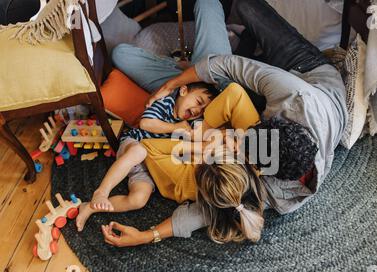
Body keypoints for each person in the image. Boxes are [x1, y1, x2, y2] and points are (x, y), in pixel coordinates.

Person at [102, 0, 347, 247]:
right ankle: (217, 53)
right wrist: (171, 87)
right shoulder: (295, 98)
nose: (235, 141)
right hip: (310, 75)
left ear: (263, 170)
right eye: (244, 136)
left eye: (240, 147)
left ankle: (202, 60)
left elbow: (211, 207)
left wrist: (148, 235)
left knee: (121, 54)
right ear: (270, 120)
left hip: (212, 96)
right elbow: (231, 68)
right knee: (246, 7)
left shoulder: (273, 192)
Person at [75, 81, 219, 232]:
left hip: (150, 166)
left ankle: (90, 207)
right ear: (183, 91)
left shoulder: (192, 123)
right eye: (198, 102)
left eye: (203, 110)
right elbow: (145, 123)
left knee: (138, 200)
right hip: (134, 145)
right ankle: (101, 192)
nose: (197, 110)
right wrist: (175, 128)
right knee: (139, 151)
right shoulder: (166, 102)